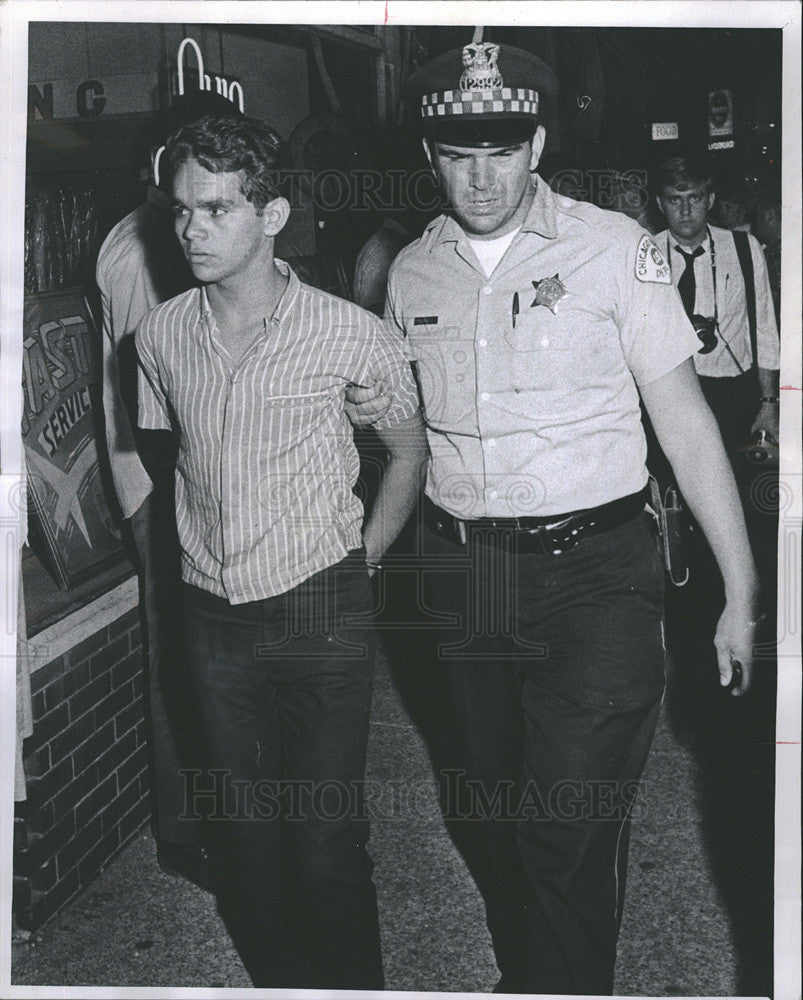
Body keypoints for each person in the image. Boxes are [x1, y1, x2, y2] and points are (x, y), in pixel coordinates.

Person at [348, 35, 760, 995]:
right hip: (464, 577)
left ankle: (556, 981)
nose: (480, 176)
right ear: (427, 157)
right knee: (489, 805)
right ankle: (539, 959)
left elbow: (689, 429)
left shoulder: (617, 251)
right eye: (458, 154)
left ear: (536, 143)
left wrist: (740, 592)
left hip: (598, 573)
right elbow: (399, 438)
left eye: (499, 149)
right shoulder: (408, 272)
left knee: (560, 820)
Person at [135, 113, 427, 989]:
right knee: (245, 832)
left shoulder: (350, 333)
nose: (192, 229)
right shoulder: (158, 337)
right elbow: (168, 456)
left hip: (317, 604)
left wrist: (361, 563)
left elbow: (409, 452)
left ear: (272, 216)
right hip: (210, 614)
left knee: (325, 833)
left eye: (216, 209)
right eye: (182, 209)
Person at [96, 90, 244, 889]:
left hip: (184, 468)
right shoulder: (142, 245)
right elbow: (162, 384)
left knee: (210, 650)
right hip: (161, 475)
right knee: (181, 656)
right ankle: (189, 832)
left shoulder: (164, 233)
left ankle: (219, 817)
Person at [655, 155, 780, 460]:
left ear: (710, 199)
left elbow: (764, 328)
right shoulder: (647, 253)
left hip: (733, 394)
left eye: (694, 198)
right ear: (660, 204)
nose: (685, 211)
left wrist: (769, 403)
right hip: (669, 394)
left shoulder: (743, 247)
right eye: (674, 200)